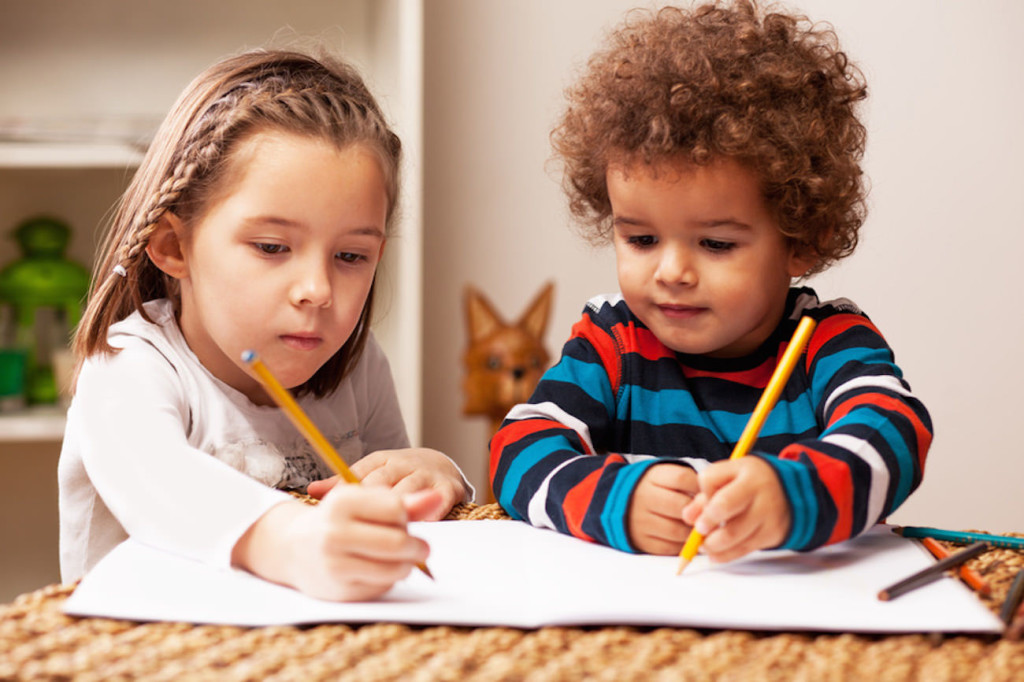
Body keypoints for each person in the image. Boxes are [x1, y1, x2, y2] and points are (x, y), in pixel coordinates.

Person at [491, 1, 931, 564]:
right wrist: (617, 500)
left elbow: (894, 434)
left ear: (801, 237)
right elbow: (517, 449)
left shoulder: (828, 342)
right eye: (642, 240)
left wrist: (788, 494)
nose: (670, 272)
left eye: (716, 244)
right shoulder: (613, 339)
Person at [59, 49, 471, 601]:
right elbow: (161, 484)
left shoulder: (358, 365)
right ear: (171, 246)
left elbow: (383, 503)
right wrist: (293, 542)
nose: (318, 291)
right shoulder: (125, 368)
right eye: (273, 247)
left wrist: (431, 471)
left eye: (351, 257)